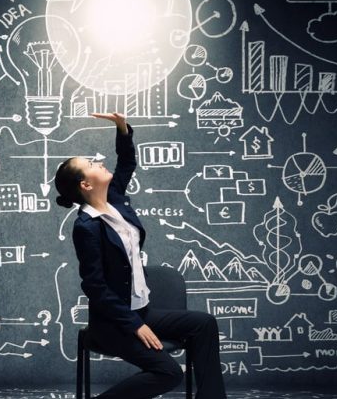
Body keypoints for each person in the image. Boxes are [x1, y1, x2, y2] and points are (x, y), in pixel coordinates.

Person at [54, 112, 227, 399]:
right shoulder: (86, 226)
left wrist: (122, 129)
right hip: (111, 324)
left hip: (140, 310)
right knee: (170, 373)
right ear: (85, 185)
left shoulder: (115, 199)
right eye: (91, 164)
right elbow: (95, 287)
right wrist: (135, 325)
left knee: (204, 324)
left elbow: (127, 162)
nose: (98, 161)